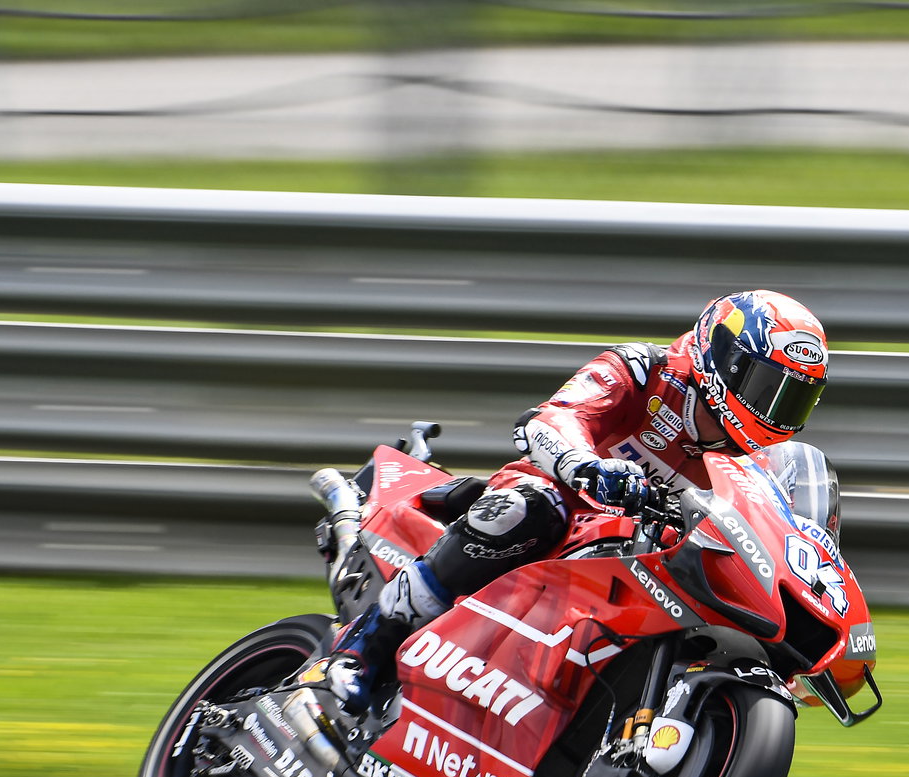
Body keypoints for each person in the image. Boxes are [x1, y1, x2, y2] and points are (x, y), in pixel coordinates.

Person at [323, 289, 831, 713]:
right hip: (563, 510)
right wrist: (588, 468)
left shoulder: (768, 462)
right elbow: (548, 421)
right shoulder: (644, 369)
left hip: (651, 562)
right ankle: (366, 646)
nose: (777, 412)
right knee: (526, 510)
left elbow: (783, 535)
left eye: (795, 400)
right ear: (728, 359)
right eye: (771, 389)